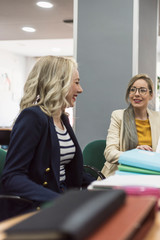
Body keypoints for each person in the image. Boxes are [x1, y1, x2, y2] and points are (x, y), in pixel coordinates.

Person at [0, 56, 95, 220]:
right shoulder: (33, 117)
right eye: (76, 82)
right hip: (39, 208)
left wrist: (105, 186)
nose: (80, 89)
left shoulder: (62, 118)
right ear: (59, 84)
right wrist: (58, 200)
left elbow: (72, 172)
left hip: (62, 201)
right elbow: (12, 177)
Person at [102, 74, 160, 177]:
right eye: (133, 90)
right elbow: (109, 153)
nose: (136, 94)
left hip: (151, 173)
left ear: (151, 95)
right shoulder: (118, 116)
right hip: (121, 174)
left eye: (142, 90)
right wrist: (134, 154)